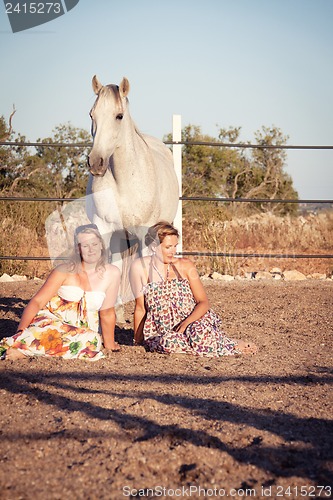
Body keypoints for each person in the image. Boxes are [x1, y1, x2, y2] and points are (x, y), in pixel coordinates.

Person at [129, 221, 257, 356]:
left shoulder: (185, 266)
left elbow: (203, 302)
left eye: (175, 246)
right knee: (168, 343)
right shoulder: (139, 268)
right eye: (168, 247)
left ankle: (231, 345)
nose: (173, 251)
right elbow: (140, 308)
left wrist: (186, 322)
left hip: (193, 319)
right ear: (154, 246)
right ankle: (222, 345)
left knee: (198, 333)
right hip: (164, 329)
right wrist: (138, 341)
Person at [0, 223, 121, 361]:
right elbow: (37, 302)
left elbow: (107, 312)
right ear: (78, 249)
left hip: (82, 332)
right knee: (44, 334)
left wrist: (110, 343)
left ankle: (26, 352)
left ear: (101, 245)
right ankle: (22, 347)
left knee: (93, 340)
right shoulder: (63, 270)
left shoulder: (112, 273)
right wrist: (20, 332)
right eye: (85, 245)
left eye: (94, 244)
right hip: (51, 322)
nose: (91, 250)